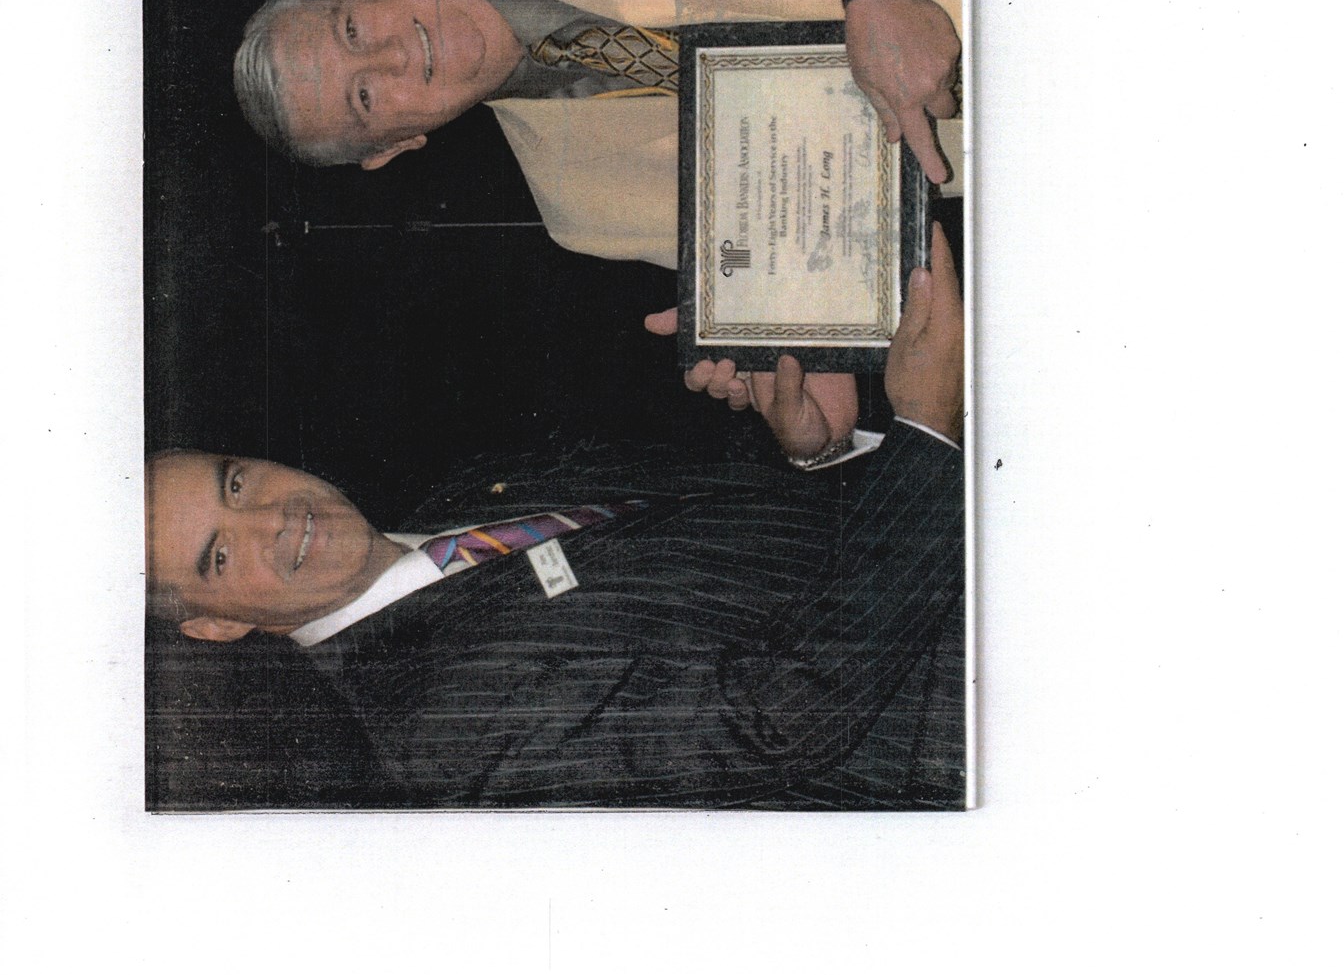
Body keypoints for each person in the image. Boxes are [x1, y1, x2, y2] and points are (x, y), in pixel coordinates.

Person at [232, 0, 965, 463]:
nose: (393, 54)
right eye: (365, 97)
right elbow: (843, 250)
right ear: (396, 145)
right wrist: (812, 388)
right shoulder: (586, 212)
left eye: (352, 28)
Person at [146, 228, 966, 810]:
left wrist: (818, 453)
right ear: (215, 626)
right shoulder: (436, 736)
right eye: (219, 555)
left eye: (236, 482)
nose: (270, 518)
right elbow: (777, 718)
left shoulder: (469, 496)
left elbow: (745, 550)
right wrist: (925, 431)